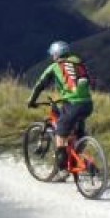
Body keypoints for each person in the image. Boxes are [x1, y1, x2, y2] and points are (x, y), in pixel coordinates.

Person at [27, 40, 93, 174]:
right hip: (87, 104)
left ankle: (62, 169)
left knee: (60, 134)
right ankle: (78, 155)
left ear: (57, 54)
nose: (52, 57)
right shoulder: (79, 63)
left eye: (53, 54)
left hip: (73, 104)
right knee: (77, 132)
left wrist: (31, 101)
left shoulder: (55, 67)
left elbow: (40, 85)